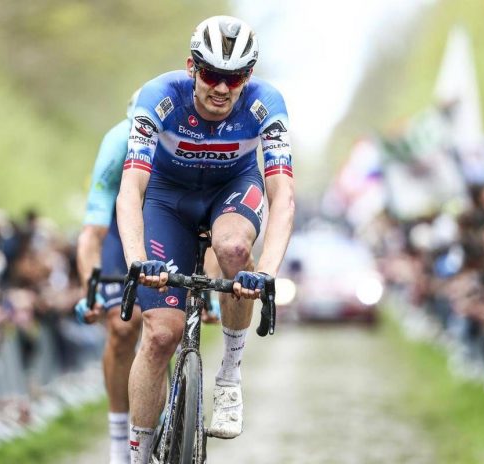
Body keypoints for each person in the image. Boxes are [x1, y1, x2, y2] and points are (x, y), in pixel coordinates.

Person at [116, 15, 295, 463]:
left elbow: (283, 197)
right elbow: (131, 188)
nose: (221, 88)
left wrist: (266, 273)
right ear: (191, 67)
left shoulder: (265, 104)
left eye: (234, 78)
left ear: (248, 76)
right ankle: (138, 455)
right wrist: (138, 260)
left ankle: (230, 376)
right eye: (212, 74)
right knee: (161, 335)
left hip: (231, 191)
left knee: (234, 250)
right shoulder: (160, 97)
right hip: (167, 199)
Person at [74, 95, 144, 464]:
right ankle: (119, 440)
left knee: (170, 325)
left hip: (170, 225)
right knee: (123, 327)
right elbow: (92, 233)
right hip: (120, 230)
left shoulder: (189, 139)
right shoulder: (118, 142)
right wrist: (91, 291)